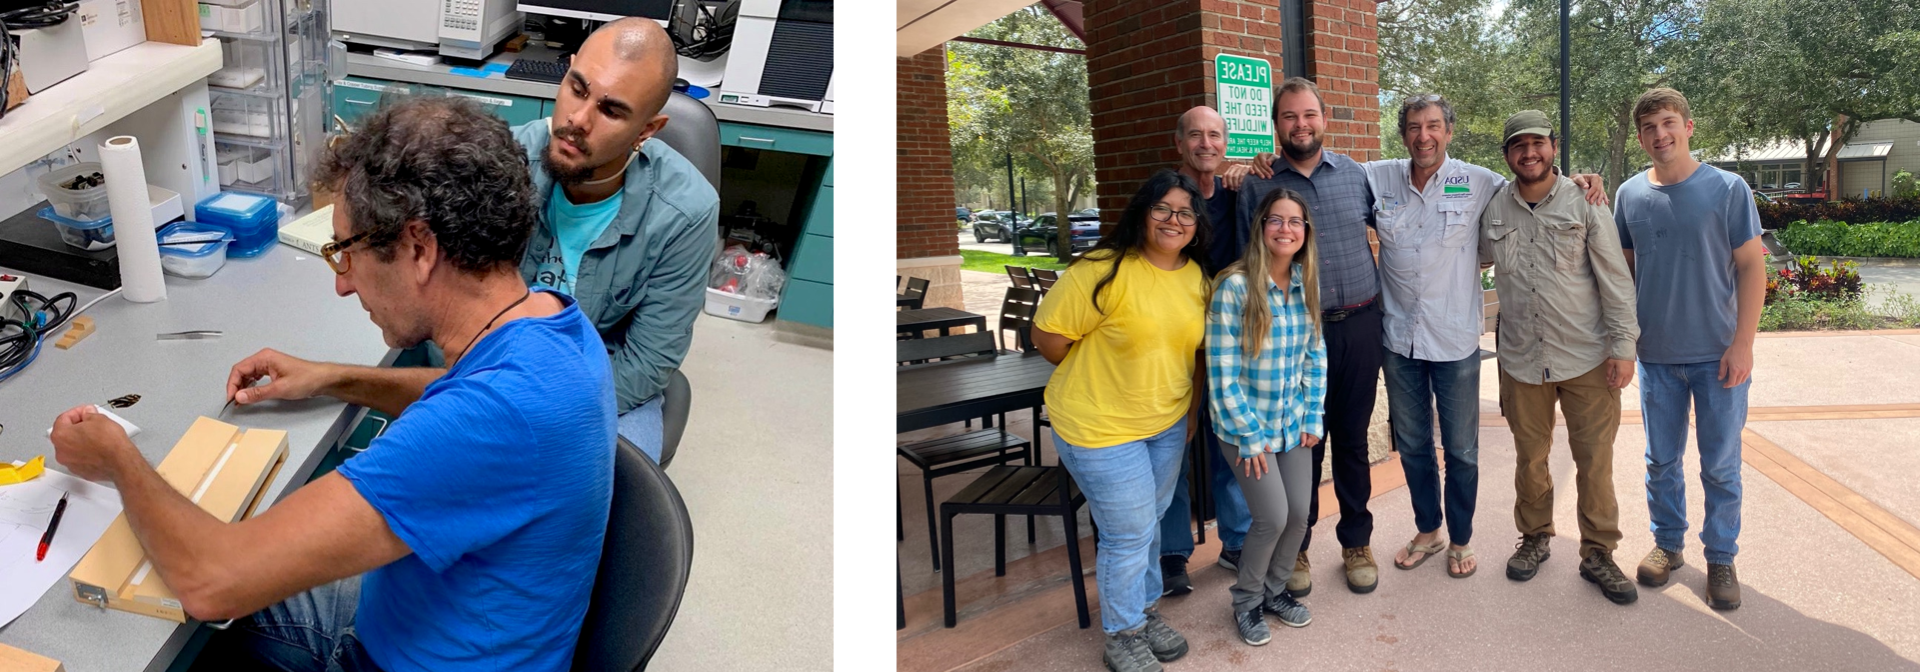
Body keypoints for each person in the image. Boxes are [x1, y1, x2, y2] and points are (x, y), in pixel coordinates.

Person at [49, 96, 616, 671]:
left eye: (344, 253)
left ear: (419, 248)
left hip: (391, 658)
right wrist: (335, 378)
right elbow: (462, 394)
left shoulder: (480, 425)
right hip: (442, 618)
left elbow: (212, 580)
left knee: (167, 622)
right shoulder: (554, 324)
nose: (343, 286)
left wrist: (118, 458)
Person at [1233, 95, 1609, 582]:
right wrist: (1250, 164)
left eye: (1433, 126)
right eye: (1413, 126)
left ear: (1449, 132)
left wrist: (1579, 180)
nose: (1423, 136)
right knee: (1412, 446)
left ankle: (1461, 538)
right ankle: (1428, 530)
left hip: (1454, 341)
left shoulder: (1480, 182)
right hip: (1396, 340)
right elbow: (1314, 178)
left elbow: (1534, 185)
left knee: (1461, 450)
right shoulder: (1374, 177)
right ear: (1403, 133)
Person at [513, 17, 720, 463]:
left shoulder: (687, 212)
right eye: (577, 88)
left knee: (609, 494)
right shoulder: (507, 161)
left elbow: (648, 359)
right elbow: (451, 290)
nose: (576, 120)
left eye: (611, 110)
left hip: (602, 370)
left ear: (647, 130)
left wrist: (546, 413)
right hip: (496, 357)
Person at [1032, 169, 1211, 672]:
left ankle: (1144, 610)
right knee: (1128, 531)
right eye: (1163, 209)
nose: (1174, 220)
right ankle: (1123, 631)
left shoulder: (1197, 277)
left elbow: (1196, 355)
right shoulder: (1102, 269)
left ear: (1197, 224)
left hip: (1167, 422)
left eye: (1185, 212)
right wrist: (1101, 376)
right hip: (1099, 426)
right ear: (1142, 212)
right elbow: (1048, 337)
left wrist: (1191, 412)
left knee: (1146, 523)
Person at [1613, 87, 1765, 611]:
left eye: (1669, 122)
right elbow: (1622, 272)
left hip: (1718, 355)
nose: (1661, 134)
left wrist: (1743, 343)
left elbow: (1751, 266)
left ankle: (1721, 556)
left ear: (1689, 126)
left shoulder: (1727, 189)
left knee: (1720, 464)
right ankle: (1668, 545)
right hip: (1657, 355)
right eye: (1650, 127)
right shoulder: (1629, 194)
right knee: (1661, 461)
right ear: (1640, 138)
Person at [1481, 110, 1641, 605]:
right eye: (1517, 146)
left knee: (1594, 461)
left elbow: (1615, 278)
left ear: (1553, 145)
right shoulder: (1493, 210)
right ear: (1507, 155)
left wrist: (1624, 347)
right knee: (1530, 459)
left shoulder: (1585, 201)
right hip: (1522, 361)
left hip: (1587, 358)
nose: (1528, 153)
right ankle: (1534, 538)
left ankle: (1598, 551)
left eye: (1537, 143)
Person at [1207, 187, 1326, 647]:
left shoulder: (1303, 282)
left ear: (1305, 233)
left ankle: (1276, 592)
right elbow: (1222, 376)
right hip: (1244, 427)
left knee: (1300, 514)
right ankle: (1246, 600)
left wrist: (1312, 416)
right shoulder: (1234, 287)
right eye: (1276, 220)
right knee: (1271, 517)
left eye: (1295, 222)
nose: (1285, 229)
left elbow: (1316, 357)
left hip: (1292, 421)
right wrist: (1251, 437)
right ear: (1260, 227)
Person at [1158, 105, 1253, 596]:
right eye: (1195, 135)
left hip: (1229, 340)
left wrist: (1256, 162)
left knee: (1230, 442)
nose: (1206, 144)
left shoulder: (1237, 191)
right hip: (1174, 339)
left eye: (1215, 135)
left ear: (1225, 142)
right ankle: (1173, 552)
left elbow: (1280, 177)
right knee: (1173, 443)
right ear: (1180, 143)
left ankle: (1236, 541)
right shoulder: (1165, 197)